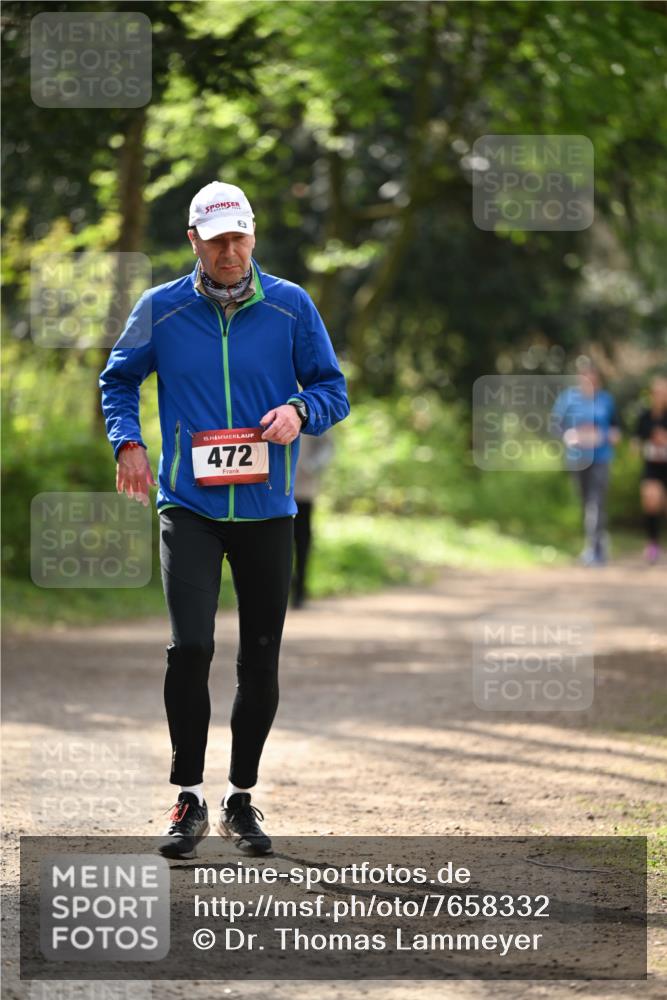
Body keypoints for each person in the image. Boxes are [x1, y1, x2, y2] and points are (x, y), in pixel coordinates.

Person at [99, 181, 349, 859]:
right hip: (190, 506)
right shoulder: (162, 308)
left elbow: (332, 388)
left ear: (253, 234)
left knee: (260, 655)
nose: (229, 252)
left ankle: (240, 799)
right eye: (216, 241)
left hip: (267, 508)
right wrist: (128, 442)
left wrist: (300, 410)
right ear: (194, 242)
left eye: (239, 237)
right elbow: (118, 378)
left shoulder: (292, 307)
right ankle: (188, 798)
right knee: (190, 648)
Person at [551, 363, 621, 566]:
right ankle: (596, 541)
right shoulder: (567, 399)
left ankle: (595, 549)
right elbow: (555, 424)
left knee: (596, 502)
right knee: (585, 502)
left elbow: (616, 427)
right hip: (577, 459)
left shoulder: (606, 400)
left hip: (601, 457)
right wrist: (568, 434)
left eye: (593, 378)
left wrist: (610, 435)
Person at [292, 433, 335, 608]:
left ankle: (300, 590)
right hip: (273, 493)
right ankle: (281, 588)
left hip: (303, 491)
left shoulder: (312, 413)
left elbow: (327, 445)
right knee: (276, 543)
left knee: (302, 541)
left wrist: (311, 466)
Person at [633, 375, 667, 564]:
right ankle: (653, 543)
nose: (660, 396)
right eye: (657, 392)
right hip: (652, 466)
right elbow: (636, 439)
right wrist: (637, 446)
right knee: (650, 498)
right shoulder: (644, 416)